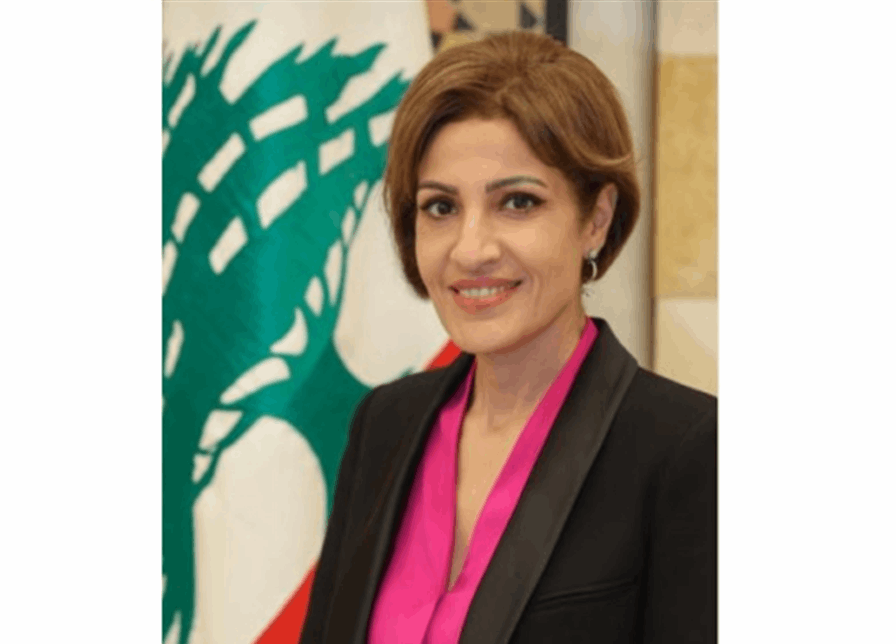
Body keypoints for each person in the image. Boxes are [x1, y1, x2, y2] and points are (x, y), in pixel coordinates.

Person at [299, 31, 715, 644]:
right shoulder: (382, 425)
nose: (471, 250)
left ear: (596, 220)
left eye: (518, 202)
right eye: (441, 208)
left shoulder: (690, 449)